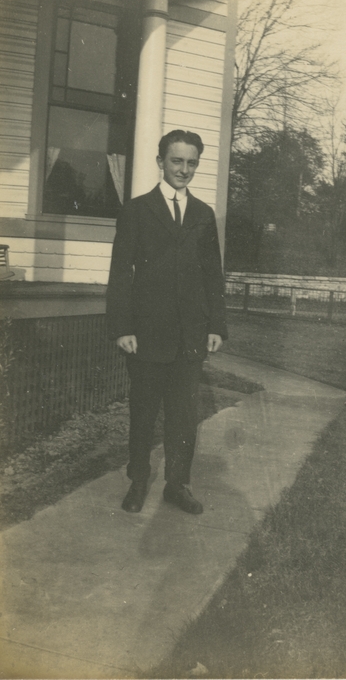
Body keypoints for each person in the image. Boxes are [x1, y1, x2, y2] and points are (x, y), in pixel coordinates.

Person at [106, 129, 228, 515]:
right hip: (145, 334)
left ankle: (177, 484)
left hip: (189, 336)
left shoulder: (203, 215)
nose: (184, 169)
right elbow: (120, 273)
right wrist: (122, 327)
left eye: (192, 162)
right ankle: (138, 481)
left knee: (183, 417)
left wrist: (216, 326)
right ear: (161, 162)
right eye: (177, 161)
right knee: (143, 412)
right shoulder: (137, 210)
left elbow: (213, 275)